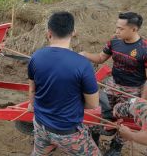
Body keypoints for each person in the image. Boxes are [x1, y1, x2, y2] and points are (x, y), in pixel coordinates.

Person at [80, 12, 147, 155]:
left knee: (126, 120)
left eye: (121, 29)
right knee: (97, 109)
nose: (117, 31)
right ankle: (94, 137)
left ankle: (116, 146)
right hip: (112, 84)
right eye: (117, 27)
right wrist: (85, 54)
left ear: (134, 29)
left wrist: (141, 101)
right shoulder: (114, 41)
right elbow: (101, 57)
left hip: (132, 90)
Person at [27, 11, 100, 155]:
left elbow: (32, 90)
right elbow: (93, 104)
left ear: (49, 33)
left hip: (40, 125)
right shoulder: (83, 64)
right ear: (73, 32)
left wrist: (32, 104)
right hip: (68, 132)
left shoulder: (35, 57)